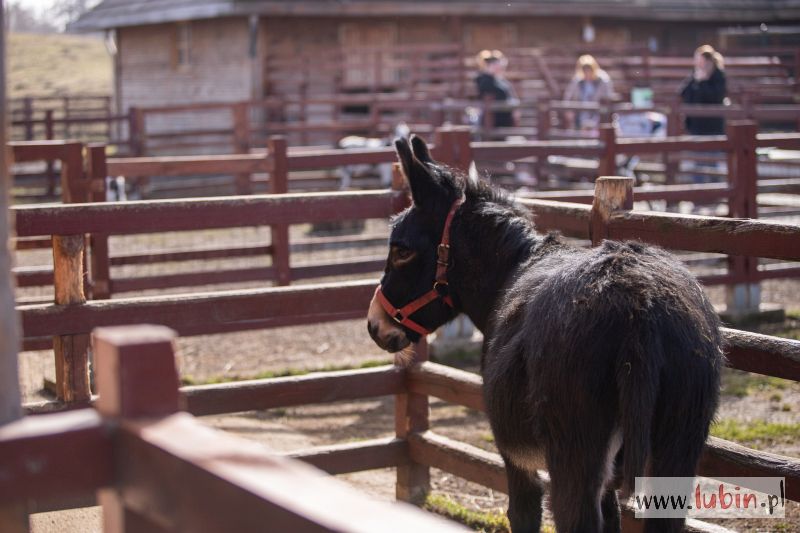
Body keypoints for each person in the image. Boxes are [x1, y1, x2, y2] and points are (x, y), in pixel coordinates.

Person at [680, 45, 727, 135]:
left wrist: (703, 82)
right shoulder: (695, 75)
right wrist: (694, 81)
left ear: (707, 60)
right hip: (694, 124)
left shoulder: (718, 75)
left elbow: (716, 97)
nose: (696, 62)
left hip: (713, 124)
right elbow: (683, 93)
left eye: (699, 59)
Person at [563, 54, 615, 130]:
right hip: (581, 114)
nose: (587, 72)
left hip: (598, 114)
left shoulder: (603, 80)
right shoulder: (577, 80)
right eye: (584, 69)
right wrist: (568, 110)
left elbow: (609, 96)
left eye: (589, 69)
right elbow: (568, 96)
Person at [475, 49, 519, 129]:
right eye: (494, 64)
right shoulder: (484, 79)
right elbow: (486, 91)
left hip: (504, 118)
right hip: (494, 119)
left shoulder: (500, 80)